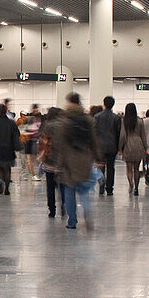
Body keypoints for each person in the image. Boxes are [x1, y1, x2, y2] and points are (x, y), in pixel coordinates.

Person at [55, 93, 100, 230]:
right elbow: (93, 140)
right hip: (84, 159)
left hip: (68, 160)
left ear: (69, 103)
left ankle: (72, 221)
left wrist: (59, 163)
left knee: (69, 191)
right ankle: (87, 214)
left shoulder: (64, 121)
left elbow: (61, 145)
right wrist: (97, 156)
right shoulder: (88, 120)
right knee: (84, 190)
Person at [37, 107, 64, 219]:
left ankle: (51, 210)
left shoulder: (46, 126)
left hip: (49, 160)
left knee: (50, 187)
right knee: (62, 186)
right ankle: (64, 206)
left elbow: (42, 143)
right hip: (61, 161)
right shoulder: (64, 126)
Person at [0, 104, 22, 195]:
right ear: (6, 111)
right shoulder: (11, 122)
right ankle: (7, 189)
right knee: (7, 169)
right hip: (9, 148)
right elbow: (17, 134)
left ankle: (0, 185)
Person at [93, 96, 121, 196]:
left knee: (100, 166)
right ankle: (109, 188)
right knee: (110, 167)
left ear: (104, 104)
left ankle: (101, 185)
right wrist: (118, 147)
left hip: (100, 146)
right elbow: (118, 133)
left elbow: (94, 131)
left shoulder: (97, 116)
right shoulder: (116, 118)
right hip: (112, 146)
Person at [118, 102, 148, 196]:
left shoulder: (124, 121)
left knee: (129, 168)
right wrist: (145, 147)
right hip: (138, 144)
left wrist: (120, 147)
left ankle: (130, 184)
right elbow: (143, 135)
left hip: (128, 145)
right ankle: (136, 187)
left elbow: (122, 135)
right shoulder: (139, 121)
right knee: (136, 168)